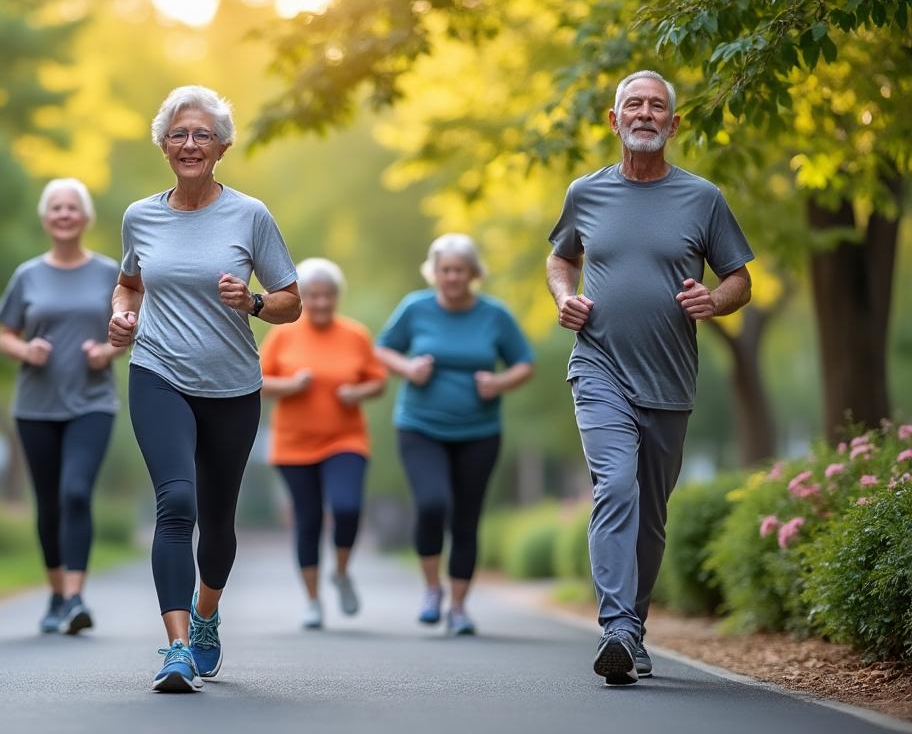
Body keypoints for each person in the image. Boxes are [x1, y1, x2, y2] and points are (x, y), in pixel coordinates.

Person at [546, 70, 753, 685]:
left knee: (652, 512)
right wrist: (565, 296)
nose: (644, 114)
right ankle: (614, 627)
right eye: (632, 105)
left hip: (668, 378)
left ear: (673, 123)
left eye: (656, 106)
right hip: (598, 363)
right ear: (614, 121)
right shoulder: (586, 193)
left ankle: (632, 627)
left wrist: (715, 301)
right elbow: (562, 256)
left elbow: (740, 277)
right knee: (617, 487)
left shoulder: (703, 198)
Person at [109, 85, 301, 692]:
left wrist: (254, 301)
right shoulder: (140, 216)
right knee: (178, 503)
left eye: (201, 135)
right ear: (163, 145)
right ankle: (176, 647)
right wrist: (121, 313)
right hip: (157, 372)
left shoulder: (250, 215)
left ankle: (207, 612)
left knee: (217, 520)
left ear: (222, 146)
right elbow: (130, 284)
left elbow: (291, 302)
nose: (189, 145)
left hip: (232, 385)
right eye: (178, 134)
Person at [376, 233, 533, 636]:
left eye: (460, 270)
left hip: (479, 430)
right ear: (435, 272)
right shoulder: (416, 308)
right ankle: (432, 589)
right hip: (420, 426)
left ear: (473, 273)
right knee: (432, 504)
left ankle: (459, 608)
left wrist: (498, 383)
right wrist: (409, 369)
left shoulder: (494, 315)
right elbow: (382, 348)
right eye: (445, 270)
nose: (452, 277)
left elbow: (523, 363)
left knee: (466, 517)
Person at [0, 178, 123, 635]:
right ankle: (56, 594)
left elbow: (128, 327)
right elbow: (4, 334)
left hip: (92, 401)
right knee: (48, 502)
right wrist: (24, 350)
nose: (65, 214)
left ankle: (74, 597)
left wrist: (108, 351)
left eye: (73, 207)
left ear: (86, 218)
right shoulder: (28, 275)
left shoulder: (110, 272)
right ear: (46, 218)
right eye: (56, 208)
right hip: (36, 406)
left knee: (75, 492)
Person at [260, 257, 386, 629]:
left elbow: (378, 381)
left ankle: (342, 571)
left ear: (337, 297)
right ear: (302, 297)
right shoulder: (283, 333)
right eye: (312, 296)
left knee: (346, 507)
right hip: (293, 444)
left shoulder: (355, 335)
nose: (319, 303)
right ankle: (313, 601)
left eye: (327, 296)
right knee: (308, 519)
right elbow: (259, 381)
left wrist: (356, 391)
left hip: (345, 438)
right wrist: (291, 385)